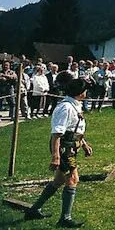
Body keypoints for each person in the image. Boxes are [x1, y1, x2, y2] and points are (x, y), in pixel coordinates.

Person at [25, 71, 93, 228]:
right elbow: (57, 134)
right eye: (85, 89)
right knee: (72, 179)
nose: (86, 92)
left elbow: (74, 130)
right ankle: (65, 218)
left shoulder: (75, 105)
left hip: (71, 146)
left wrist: (84, 144)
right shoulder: (66, 108)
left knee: (59, 180)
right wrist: (56, 156)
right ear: (79, 92)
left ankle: (33, 210)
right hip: (64, 149)